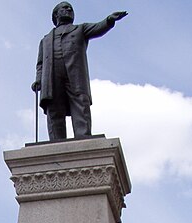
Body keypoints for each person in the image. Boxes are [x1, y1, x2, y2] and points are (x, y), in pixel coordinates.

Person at [32, 3, 127, 141]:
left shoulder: (80, 29)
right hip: (52, 76)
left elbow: (98, 27)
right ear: (56, 15)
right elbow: (40, 63)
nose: (69, 10)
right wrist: (38, 79)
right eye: (64, 8)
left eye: (71, 9)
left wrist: (109, 20)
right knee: (54, 108)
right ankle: (56, 141)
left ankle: (83, 137)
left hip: (74, 73)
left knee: (80, 103)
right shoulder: (46, 39)